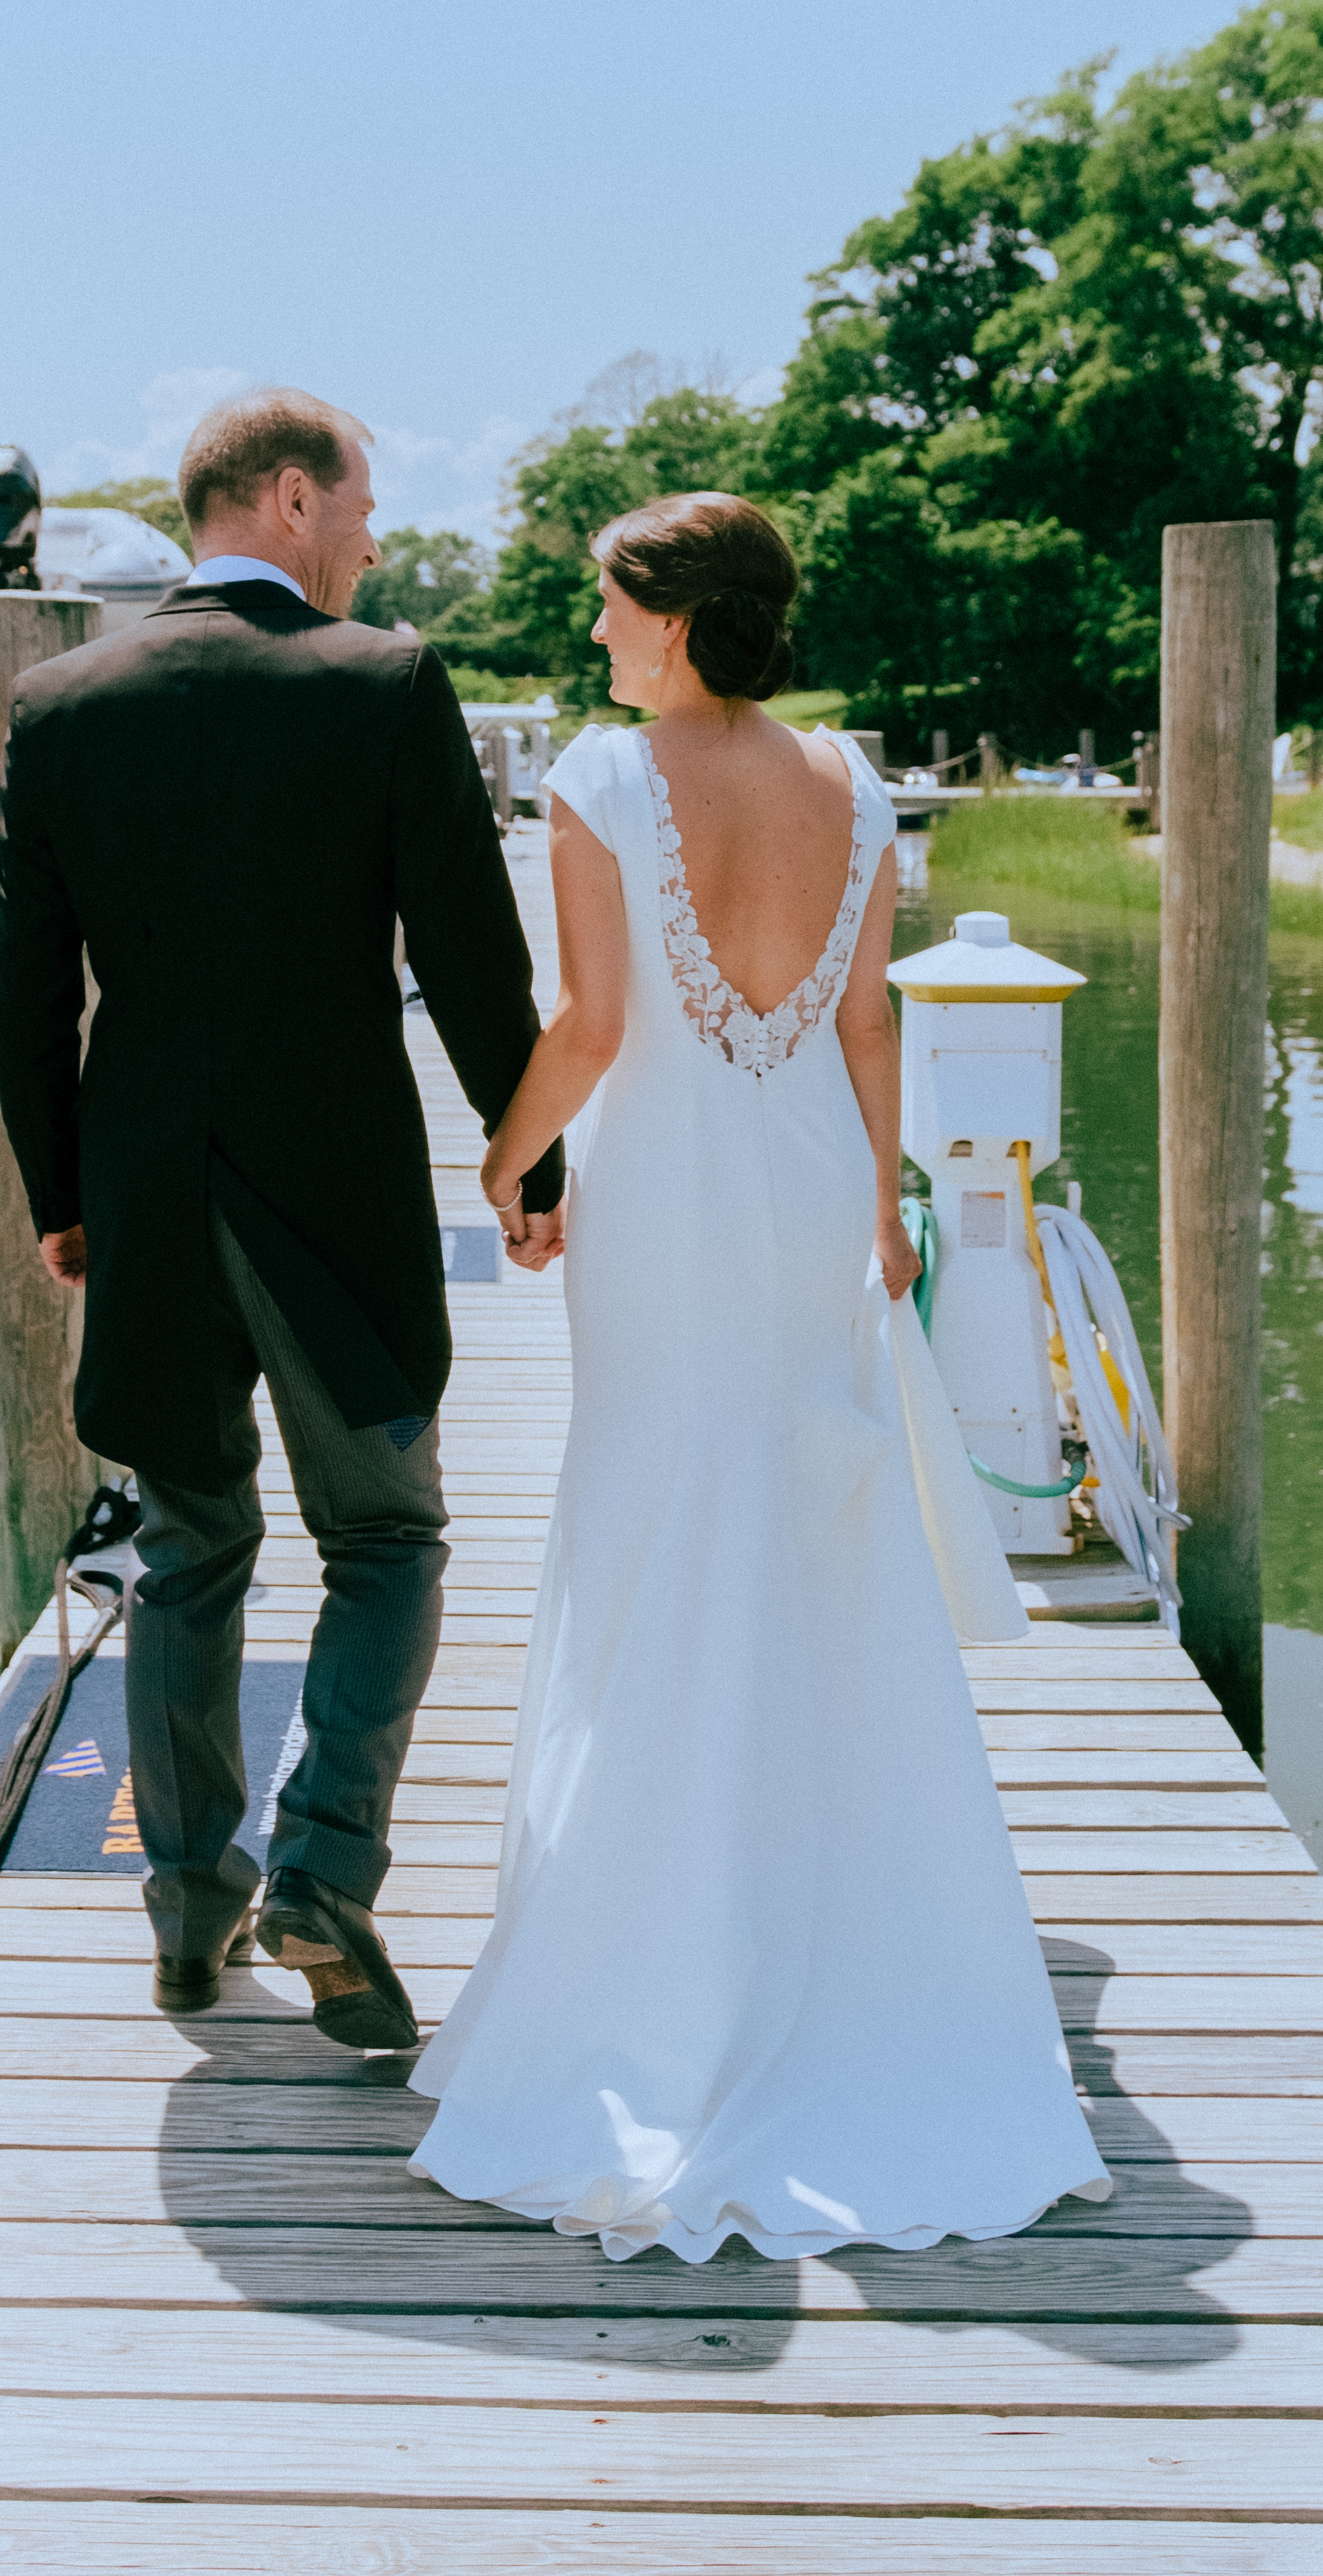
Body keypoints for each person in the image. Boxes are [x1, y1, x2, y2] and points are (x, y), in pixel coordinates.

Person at [408, 489, 1111, 2258]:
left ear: (681, 619)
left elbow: (591, 1030)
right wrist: (878, 1213)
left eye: (609, 609)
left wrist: (503, 1167)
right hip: (804, 1202)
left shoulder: (602, 776)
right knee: (805, 1515)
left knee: (657, 1511)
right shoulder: (856, 788)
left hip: (664, 1207)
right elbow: (873, 1021)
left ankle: (654, 1949)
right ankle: (836, 1927)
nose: (592, 638)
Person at [0, 388, 563, 2049]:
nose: (372, 539)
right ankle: (319, 1871)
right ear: (293, 499)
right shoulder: (382, 681)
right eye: (364, 504)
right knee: (386, 1537)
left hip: (152, 1192)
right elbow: (471, 958)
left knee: (188, 1551)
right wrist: (529, 1166)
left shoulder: (61, 701)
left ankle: (184, 1919)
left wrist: (66, 1197)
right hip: (336, 1194)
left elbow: (28, 984)